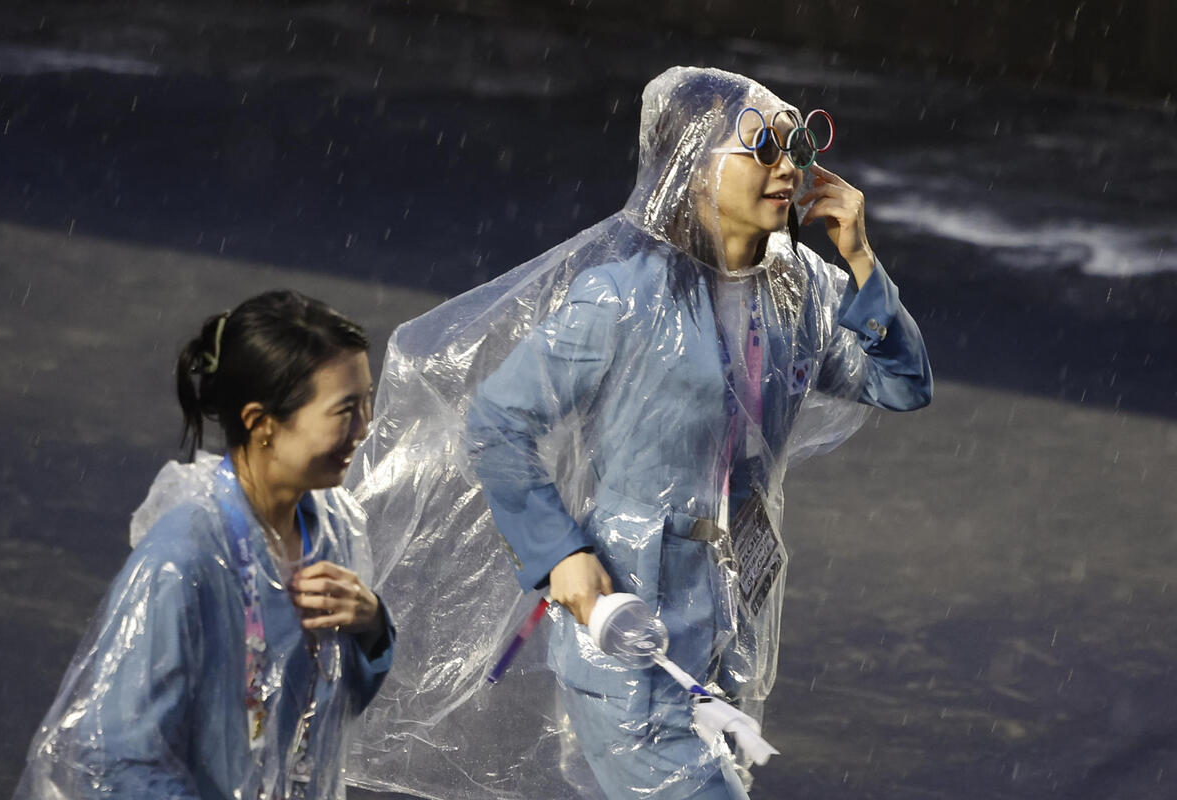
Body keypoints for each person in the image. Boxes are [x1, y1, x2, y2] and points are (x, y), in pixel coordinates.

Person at [346, 66, 930, 800]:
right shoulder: (623, 299)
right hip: (631, 632)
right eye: (763, 145)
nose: (790, 165)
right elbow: (497, 423)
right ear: (690, 167)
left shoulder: (799, 290)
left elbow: (901, 383)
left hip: (731, 627)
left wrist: (861, 260)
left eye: (798, 143)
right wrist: (563, 559)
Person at [15, 290, 394, 800]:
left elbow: (325, 707)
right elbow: (115, 758)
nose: (365, 427)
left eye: (367, 400)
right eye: (346, 409)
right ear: (262, 424)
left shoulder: (331, 528)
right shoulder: (181, 560)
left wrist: (370, 625)